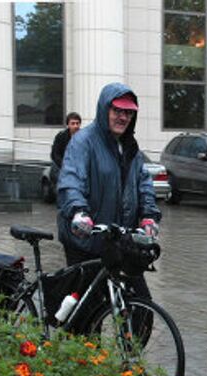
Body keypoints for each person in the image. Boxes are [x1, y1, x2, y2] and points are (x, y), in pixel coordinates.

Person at [56, 83, 160, 299]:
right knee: (86, 312)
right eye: (117, 111)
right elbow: (71, 179)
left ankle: (130, 332)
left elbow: (144, 184)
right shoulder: (83, 142)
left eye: (128, 112)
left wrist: (148, 216)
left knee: (140, 307)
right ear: (105, 110)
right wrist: (78, 211)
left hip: (119, 239)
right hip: (86, 239)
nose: (123, 117)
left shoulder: (130, 147)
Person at [50, 112, 82, 185]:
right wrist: (65, 166)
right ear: (68, 124)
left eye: (77, 123)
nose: (76, 126)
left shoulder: (84, 137)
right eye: (73, 123)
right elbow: (55, 154)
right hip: (63, 168)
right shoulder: (61, 136)